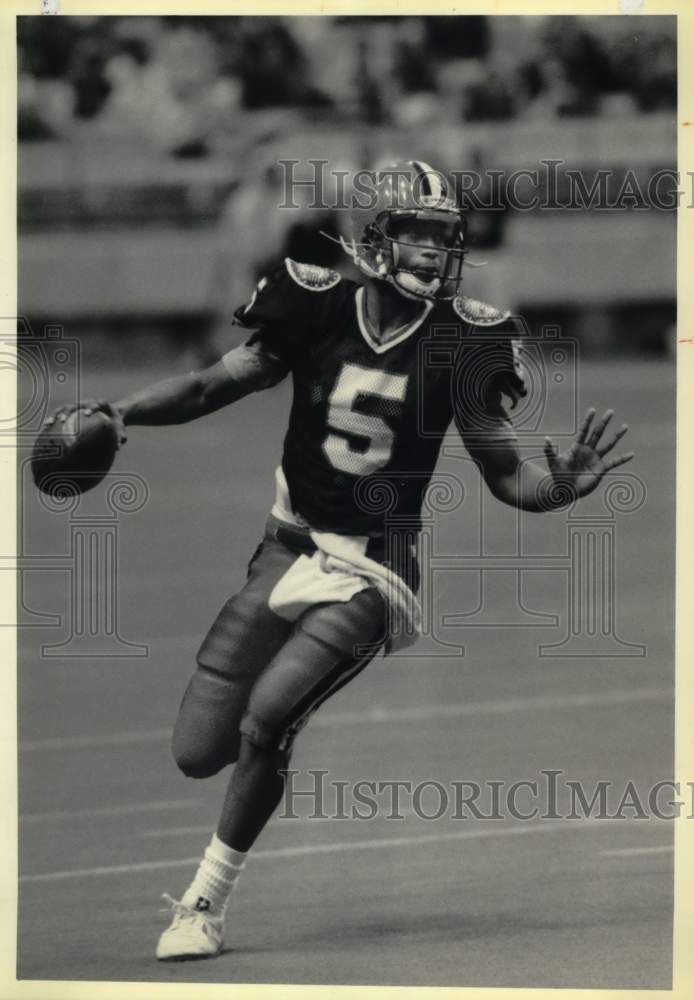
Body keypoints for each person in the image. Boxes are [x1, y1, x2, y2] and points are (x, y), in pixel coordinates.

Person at [45, 160, 634, 962]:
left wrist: (558, 487)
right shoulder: (316, 303)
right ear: (375, 240)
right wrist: (122, 413)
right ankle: (265, 750)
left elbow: (506, 476)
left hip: (375, 570)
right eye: (418, 235)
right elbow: (214, 384)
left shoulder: (466, 338)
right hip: (287, 545)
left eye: (444, 238)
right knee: (197, 749)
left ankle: (204, 904)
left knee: (267, 720)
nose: (433, 253)